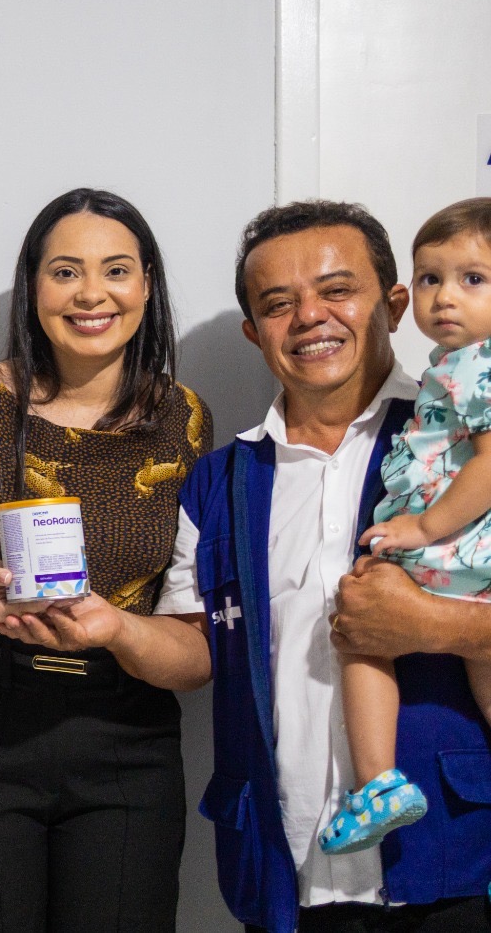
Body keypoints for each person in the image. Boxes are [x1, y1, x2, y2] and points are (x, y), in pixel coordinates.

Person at [0, 188, 214, 932]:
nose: (92, 293)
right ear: (33, 286)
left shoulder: (183, 419)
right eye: (66, 272)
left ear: (147, 285)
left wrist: (117, 629)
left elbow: (192, 630)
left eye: (116, 270)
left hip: (125, 731)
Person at [154, 200, 491, 932]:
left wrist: (437, 626)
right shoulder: (217, 483)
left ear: (395, 306)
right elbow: (194, 648)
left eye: (337, 291)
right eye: (278, 304)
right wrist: (105, 629)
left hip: (458, 864)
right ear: (255, 331)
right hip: (284, 873)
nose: (310, 316)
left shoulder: (467, 452)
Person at [320, 197, 491, 856]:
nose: (445, 296)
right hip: (465, 550)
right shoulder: (453, 363)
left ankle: (378, 784)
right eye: (430, 278)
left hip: (452, 546)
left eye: (473, 279)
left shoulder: (476, 365)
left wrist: (422, 526)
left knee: (361, 625)